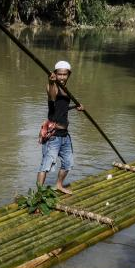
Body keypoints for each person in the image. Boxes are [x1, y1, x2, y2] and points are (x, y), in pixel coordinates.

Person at [37, 60, 83, 194]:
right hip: (53, 136)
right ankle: (39, 194)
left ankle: (59, 185)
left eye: (65, 74)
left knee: (68, 163)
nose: (62, 77)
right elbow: (52, 97)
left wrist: (76, 107)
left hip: (64, 135)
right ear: (55, 74)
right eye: (60, 74)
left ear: (69, 74)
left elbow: (61, 108)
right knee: (46, 165)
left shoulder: (65, 90)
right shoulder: (53, 86)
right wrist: (51, 82)